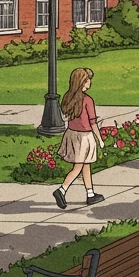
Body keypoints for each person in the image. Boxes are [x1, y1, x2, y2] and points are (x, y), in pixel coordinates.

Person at [54, 67, 104, 208]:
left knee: (86, 165)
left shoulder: (68, 97)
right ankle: (61, 190)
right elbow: (93, 123)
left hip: (71, 134)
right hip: (84, 137)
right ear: (82, 82)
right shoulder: (87, 100)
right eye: (88, 80)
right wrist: (99, 139)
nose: (90, 82)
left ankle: (90, 194)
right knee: (78, 167)